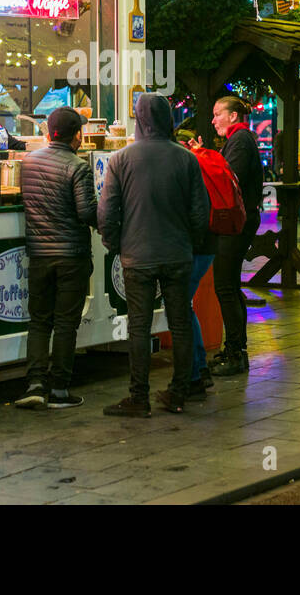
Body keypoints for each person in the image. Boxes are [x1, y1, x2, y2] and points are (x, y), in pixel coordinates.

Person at [99, 94, 209, 417]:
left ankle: (139, 397)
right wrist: (189, 242)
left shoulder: (120, 159)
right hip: (178, 254)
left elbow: (107, 212)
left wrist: (115, 244)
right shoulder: (187, 159)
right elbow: (201, 212)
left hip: (137, 256)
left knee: (138, 327)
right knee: (180, 323)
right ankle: (178, 392)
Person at [15, 107, 96, 410]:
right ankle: (60, 389)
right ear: (78, 135)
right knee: (65, 323)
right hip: (71, 255)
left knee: (39, 321)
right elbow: (86, 212)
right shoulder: (78, 167)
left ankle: (35, 384)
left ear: (49, 134)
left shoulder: (29, 162)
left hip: (38, 254)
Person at [202, 95, 263, 377]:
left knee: (225, 286)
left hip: (237, 222)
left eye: (217, 114)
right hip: (241, 221)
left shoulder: (240, 140)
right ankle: (236, 349)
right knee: (230, 285)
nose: (214, 119)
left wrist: (203, 159)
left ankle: (236, 352)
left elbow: (229, 177)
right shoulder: (239, 140)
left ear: (233, 116)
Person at [181, 136, 223, 401]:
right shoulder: (206, 163)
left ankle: (197, 371)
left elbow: (192, 213)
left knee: (182, 307)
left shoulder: (188, 168)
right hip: (208, 245)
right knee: (184, 306)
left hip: (193, 248)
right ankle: (198, 369)